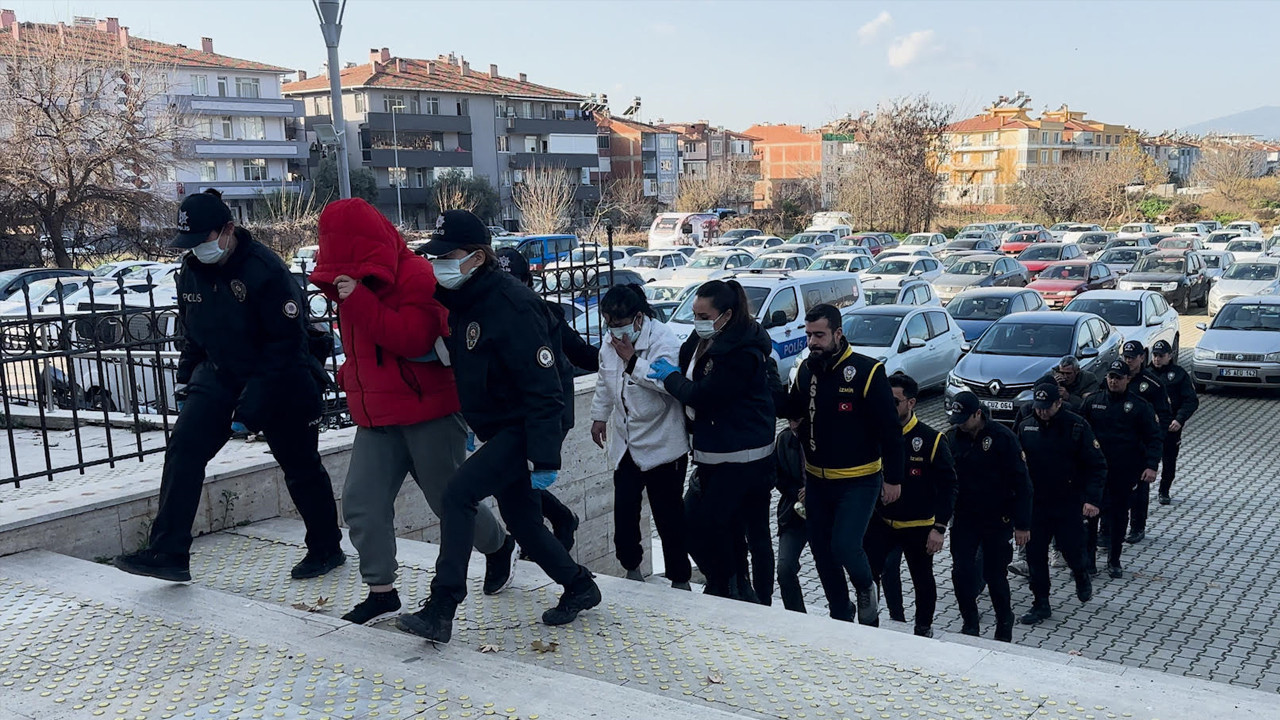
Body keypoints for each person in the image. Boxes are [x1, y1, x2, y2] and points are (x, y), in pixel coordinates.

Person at [114, 190, 343, 582]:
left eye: (203, 239)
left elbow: (286, 346)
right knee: (184, 451)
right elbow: (194, 335)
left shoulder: (265, 270)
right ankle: (168, 552)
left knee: (300, 468)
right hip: (220, 376)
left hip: (280, 379)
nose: (196, 249)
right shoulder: (191, 270)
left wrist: (251, 408)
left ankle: (326, 548)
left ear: (228, 230)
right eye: (190, 242)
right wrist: (186, 381)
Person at [308, 199, 517, 625]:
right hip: (376, 417)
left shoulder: (416, 275)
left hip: (429, 412)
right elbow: (362, 348)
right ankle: (381, 591)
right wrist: (351, 377)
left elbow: (414, 339)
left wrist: (360, 300)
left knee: (450, 501)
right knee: (361, 503)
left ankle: (498, 547)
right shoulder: (350, 284)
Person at [396, 211, 599, 644]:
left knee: (458, 494)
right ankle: (580, 585)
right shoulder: (468, 300)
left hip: (528, 423)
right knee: (523, 522)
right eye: (436, 256)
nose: (438, 265)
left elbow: (545, 387)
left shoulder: (512, 305)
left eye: (446, 256)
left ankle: (442, 607)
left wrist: (544, 455)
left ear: (477, 257)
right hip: (504, 423)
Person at [646, 279, 777, 600]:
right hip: (711, 452)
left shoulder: (742, 353)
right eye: (695, 314)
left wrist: (670, 378)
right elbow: (690, 368)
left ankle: (741, 591)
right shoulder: (706, 338)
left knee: (718, 525)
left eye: (703, 316)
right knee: (720, 527)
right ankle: (732, 584)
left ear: (726, 315)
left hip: (743, 456)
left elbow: (706, 396)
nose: (697, 322)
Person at [775, 304, 903, 625]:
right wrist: (763, 382)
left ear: (838, 333)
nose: (812, 342)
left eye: (819, 335)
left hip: (859, 479)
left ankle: (865, 588)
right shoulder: (807, 369)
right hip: (817, 481)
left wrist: (894, 478)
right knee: (821, 550)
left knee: (845, 545)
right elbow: (791, 406)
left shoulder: (867, 371)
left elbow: (890, 430)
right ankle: (839, 613)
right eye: (808, 335)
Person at [588, 284, 691, 589]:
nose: (614, 332)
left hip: (662, 442)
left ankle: (680, 578)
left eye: (619, 325)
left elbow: (666, 383)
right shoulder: (609, 344)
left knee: (668, 515)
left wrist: (633, 361)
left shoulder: (663, 340)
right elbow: (605, 383)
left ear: (638, 320)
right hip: (626, 442)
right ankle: (631, 567)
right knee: (625, 512)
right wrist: (599, 416)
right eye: (609, 325)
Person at [497, 247, 592, 551]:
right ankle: (555, 524)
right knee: (512, 481)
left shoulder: (543, 313)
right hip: (509, 415)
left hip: (548, 413)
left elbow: (579, 352)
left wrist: (627, 358)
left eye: (512, 282)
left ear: (527, 283)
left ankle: (542, 537)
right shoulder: (488, 313)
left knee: (517, 482)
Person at [865, 373, 956, 638]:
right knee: (868, 574)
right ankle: (871, 622)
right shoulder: (874, 434)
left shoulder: (932, 440)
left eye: (894, 401)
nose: (887, 407)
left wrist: (939, 528)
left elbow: (949, 486)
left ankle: (923, 628)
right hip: (880, 522)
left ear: (911, 403)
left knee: (922, 579)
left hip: (918, 525)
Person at [1015, 383, 1107, 626]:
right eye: (1039, 407)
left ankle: (1081, 574)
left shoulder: (1077, 426)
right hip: (1037, 505)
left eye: (1047, 408)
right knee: (1035, 557)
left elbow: (1097, 465)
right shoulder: (1026, 427)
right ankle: (1041, 603)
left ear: (1058, 403)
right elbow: (1015, 466)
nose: (1042, 412)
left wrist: (1091, 499)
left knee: (1072, 550)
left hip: (1067, 502)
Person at [946, 391, 1032, 642]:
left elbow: (1022, 483)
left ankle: (1004, 620)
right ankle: (969, 622)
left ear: (978, 414)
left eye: (964, 418)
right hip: (965, 517)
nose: (960, 423)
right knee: (961, 571)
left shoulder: (1003, 438)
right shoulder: (953, 438)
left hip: (997, 517)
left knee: (995, 574)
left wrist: (1023, 524)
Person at [1082, 361, 1162, 579]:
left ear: (1127, 379)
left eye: (1118, 377)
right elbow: (1078, 432)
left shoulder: (1139, 406)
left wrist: (1151, 465)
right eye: (1110, 377)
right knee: (1090, 517)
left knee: (1118, 516)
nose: (1113, 381)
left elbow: (1154, 437)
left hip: (1124, 471)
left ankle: (1114, 560)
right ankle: (1088, 562)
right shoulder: (1093, 402)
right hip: (1095, 472)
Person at [1113, 340, 1170, 545]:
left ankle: (1138, 527)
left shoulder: (1152, 384)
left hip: (1141, 445)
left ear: (1141, 358)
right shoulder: (1115, 378)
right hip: (1118, 444)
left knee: (1139, 490)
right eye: (1125, 357)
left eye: (1132, 357)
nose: (1128, 361)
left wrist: (1154, 448)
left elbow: (1163, 417)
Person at [1149, 339, 1198, 505]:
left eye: (1161, 356)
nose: (1157, 359)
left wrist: (1180, 419)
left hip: (1170, 427)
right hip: (1148, 427)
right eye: (1155, 355)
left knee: (1169, 461)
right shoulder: (1146, 374)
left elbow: (1191, 400)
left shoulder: (1179, 374)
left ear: (1169, 356)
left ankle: (1164, 490)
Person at [773, 420, 808, 613]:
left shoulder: (826, 434)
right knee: (785, 569)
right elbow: (777, 476)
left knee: (832, 567)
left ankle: (843, 610)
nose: (795, 423)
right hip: (793, 514)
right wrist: (798, 492)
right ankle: (797, 614)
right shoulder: (784, 439)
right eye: (791, 418)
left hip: (825, 514)